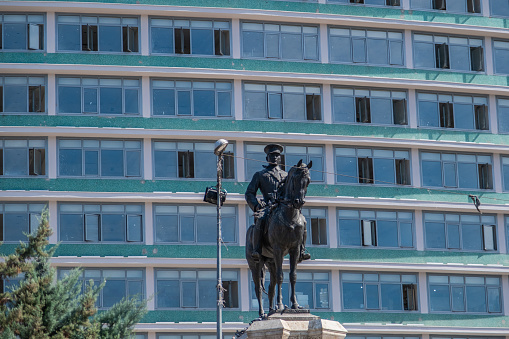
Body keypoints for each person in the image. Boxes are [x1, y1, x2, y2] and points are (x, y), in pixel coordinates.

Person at [245, 144, 311, 262]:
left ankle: (301, 250)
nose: (274, 158)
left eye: (277, 155)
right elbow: (249, 193)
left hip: (283, 206)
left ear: (280, 158)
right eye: (272, 155)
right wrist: (257, 205)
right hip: (268, 207)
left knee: (303, 221)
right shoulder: (260, 175)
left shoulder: (286, 176)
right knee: (260, 219)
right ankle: (257, 250)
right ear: (267, 158)